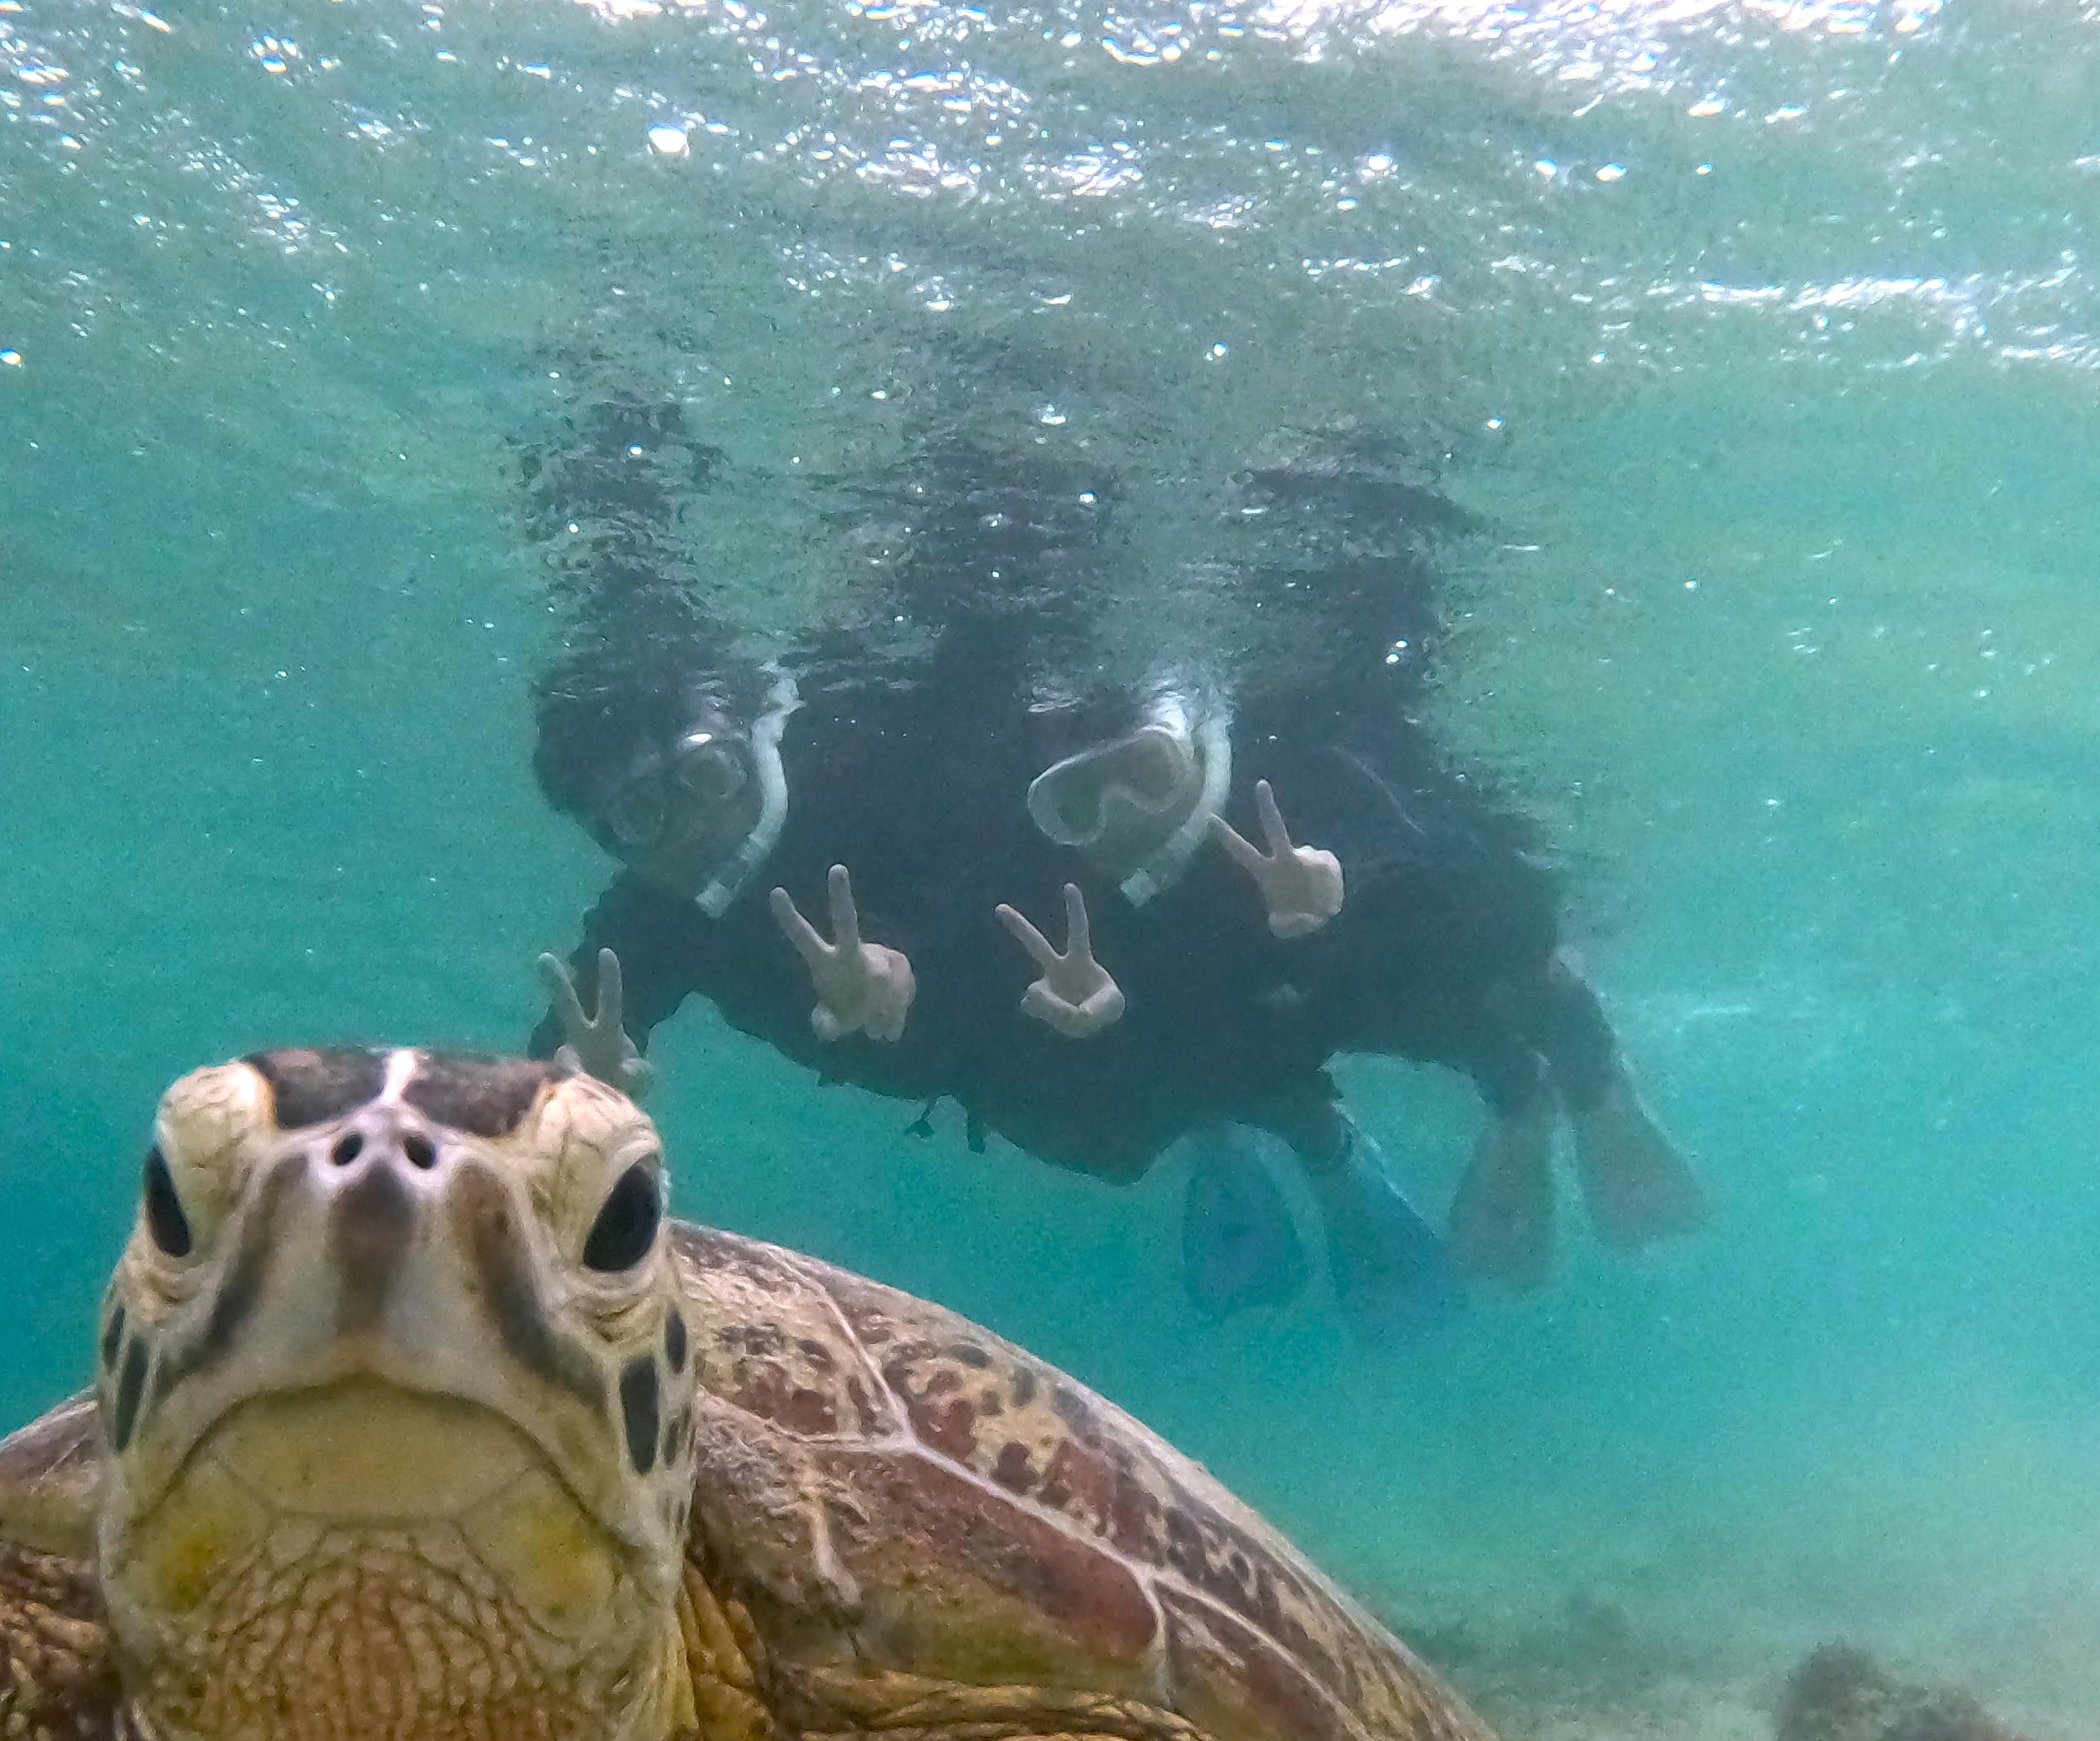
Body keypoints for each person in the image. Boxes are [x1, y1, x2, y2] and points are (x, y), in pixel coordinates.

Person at [519, 415, 1701, 1332]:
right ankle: (1294, 1135)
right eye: (637, 815)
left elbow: (998, 831)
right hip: (1046, 1049)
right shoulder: (652, 920)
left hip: (1156, 985)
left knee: (1322, 997)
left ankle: (1512, 1091)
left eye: (705, 776)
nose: (690, 828)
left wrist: (1342, 897)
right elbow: (565, 1043)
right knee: (1133, 1081)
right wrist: (575, 1079)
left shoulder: (868, 747)